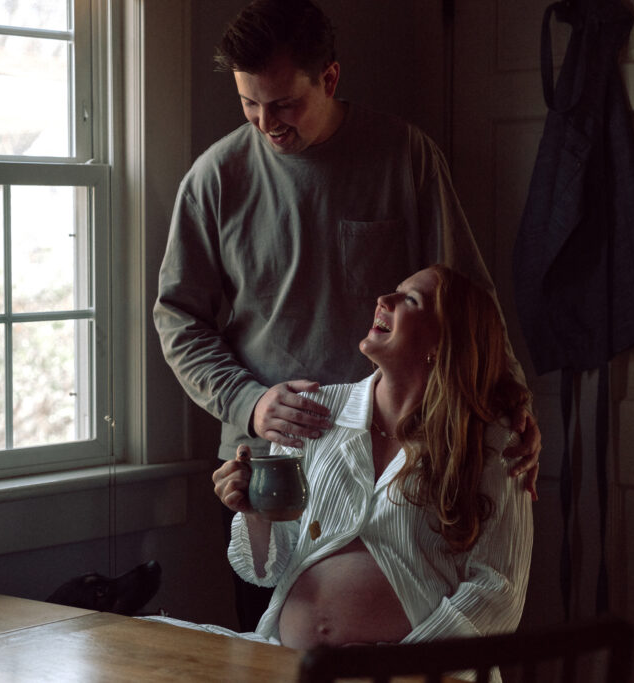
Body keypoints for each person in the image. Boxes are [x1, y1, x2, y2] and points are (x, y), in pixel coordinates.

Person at [152, 0, 540, 630]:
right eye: (248, 103)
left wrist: (512, 402)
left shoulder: (404, 156)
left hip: (410, 459)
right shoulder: (214, 178)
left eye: (281, 104)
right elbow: (178, 321)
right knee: (272, 644)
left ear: (329, 79)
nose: (264, 122)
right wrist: (249, 403)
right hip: (275, 466)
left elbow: (469, 299)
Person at [207, 264, 534, 652]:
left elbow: (498, 591)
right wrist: (255, 511)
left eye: (409, 300)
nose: (383, 300)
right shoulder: (313, 413)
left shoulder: (493, 443)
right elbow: (266, 569)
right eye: (394, 289)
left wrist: (401, 669)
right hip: (291, 666)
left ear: (443, 343)